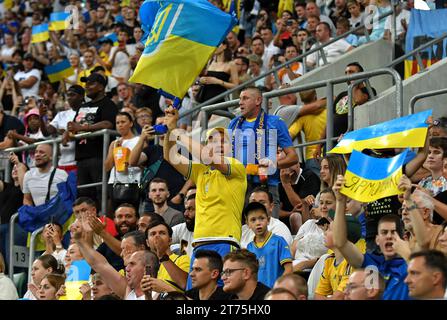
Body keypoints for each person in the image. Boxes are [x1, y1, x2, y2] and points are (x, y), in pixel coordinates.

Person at [163, 108, 247, 288]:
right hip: (199, 244)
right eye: (212, 140)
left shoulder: (237, 166)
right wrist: (170, 129)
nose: (217, 144)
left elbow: (208, 157)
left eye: (223, 140)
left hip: (225, 241)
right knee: (194, 298)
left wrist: (177, 131)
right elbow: (169, 156)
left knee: (222, 295)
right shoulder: (200, 171)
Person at [332, 174, 410, 300]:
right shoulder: (371, 265)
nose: (389, 237)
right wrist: (340, 201)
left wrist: (409, 200)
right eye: (384, 233)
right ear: (377, 240)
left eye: (394, 232)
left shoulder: (410, 265)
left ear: (404, 239)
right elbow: (341, 243)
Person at [229, 86, 298, 218]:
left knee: (269, 228)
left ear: (258, 100)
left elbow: (293, 157)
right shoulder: (234, 124)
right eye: (240, 99)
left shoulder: (275, 122)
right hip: (239, 185)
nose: (240, 102)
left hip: (266, 185)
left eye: (245, 98)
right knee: (243, 232)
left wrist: (273, 164)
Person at [72, 218, 158, 300]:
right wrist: (79, 240)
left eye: (132, 264)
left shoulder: (160, 293)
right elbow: (99, 264)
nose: (127, 269)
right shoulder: (128, 291)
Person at [66, 72, 118, 203]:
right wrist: (68, 132)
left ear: (101, 87)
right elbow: (75, 126)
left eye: (91, 83)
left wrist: (82, 128)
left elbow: (108, 124)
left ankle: (104, 220)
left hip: (99, 156)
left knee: (102, 193)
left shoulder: (108, 104)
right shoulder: (83, 107)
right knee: (84, 195)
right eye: (86, 84)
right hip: (81, 157)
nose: (87, 86)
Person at [314, 213, 363, 300]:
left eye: (329, 229)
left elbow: (340, 296)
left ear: (342, 236)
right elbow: (318, 295)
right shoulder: (329, 260)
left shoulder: (351, 263)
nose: (325, 233)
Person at [245, 202, 293, 288]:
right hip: (257, 294)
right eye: (253, 220)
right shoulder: (249, 247)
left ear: (268, 220)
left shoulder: (279, 241)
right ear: (248, 224)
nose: (258, 223)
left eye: (261, 218)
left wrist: (278, 287)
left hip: (276, 292)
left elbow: (289, 269)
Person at [42, 85, 85, 174]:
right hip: (61, 163)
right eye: (68, 95)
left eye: (72, 95)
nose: (69, 98)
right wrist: (41, 117)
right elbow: (47, 132)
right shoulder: (61, 114)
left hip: (78, 161)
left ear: (81, 96)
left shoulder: (87, 112)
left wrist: (66, 131)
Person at [105, 111, 141, 211]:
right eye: (117, 123)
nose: (120, 125)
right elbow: (107, 167)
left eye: (123, 122)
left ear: (131, 123)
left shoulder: (139, 140)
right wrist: (114, 150)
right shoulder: (114, 143)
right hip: (115, 182)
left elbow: (144, 163)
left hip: (133, 181)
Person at [400, 176, 444, 254]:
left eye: (410, 208)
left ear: (425, 213)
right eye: (403, 208)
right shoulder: (402, 240)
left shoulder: (442, 235)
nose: (404, 212)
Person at [145, 221, 190, 294]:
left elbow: (185, 284)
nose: (157, 236)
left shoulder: (182, 259)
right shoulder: (146, 264)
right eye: (153, 234)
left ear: (170, 240)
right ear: (147, 243)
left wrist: (162, 256)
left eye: (162, 233)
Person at [197, 40, 238, 104]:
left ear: (225, 46)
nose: (215, 47)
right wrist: (201, 80)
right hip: (205, 98)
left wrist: (218, 82)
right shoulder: (210, 62)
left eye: (218, 45)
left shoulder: (231, 64)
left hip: (219, 98)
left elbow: (236, 86)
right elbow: (201, 80)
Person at [171, 188, 196, 257]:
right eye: (186, 209)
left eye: (191, 209)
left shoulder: (212, 233)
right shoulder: (183, 228)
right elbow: (162, 240)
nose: (185, 213)